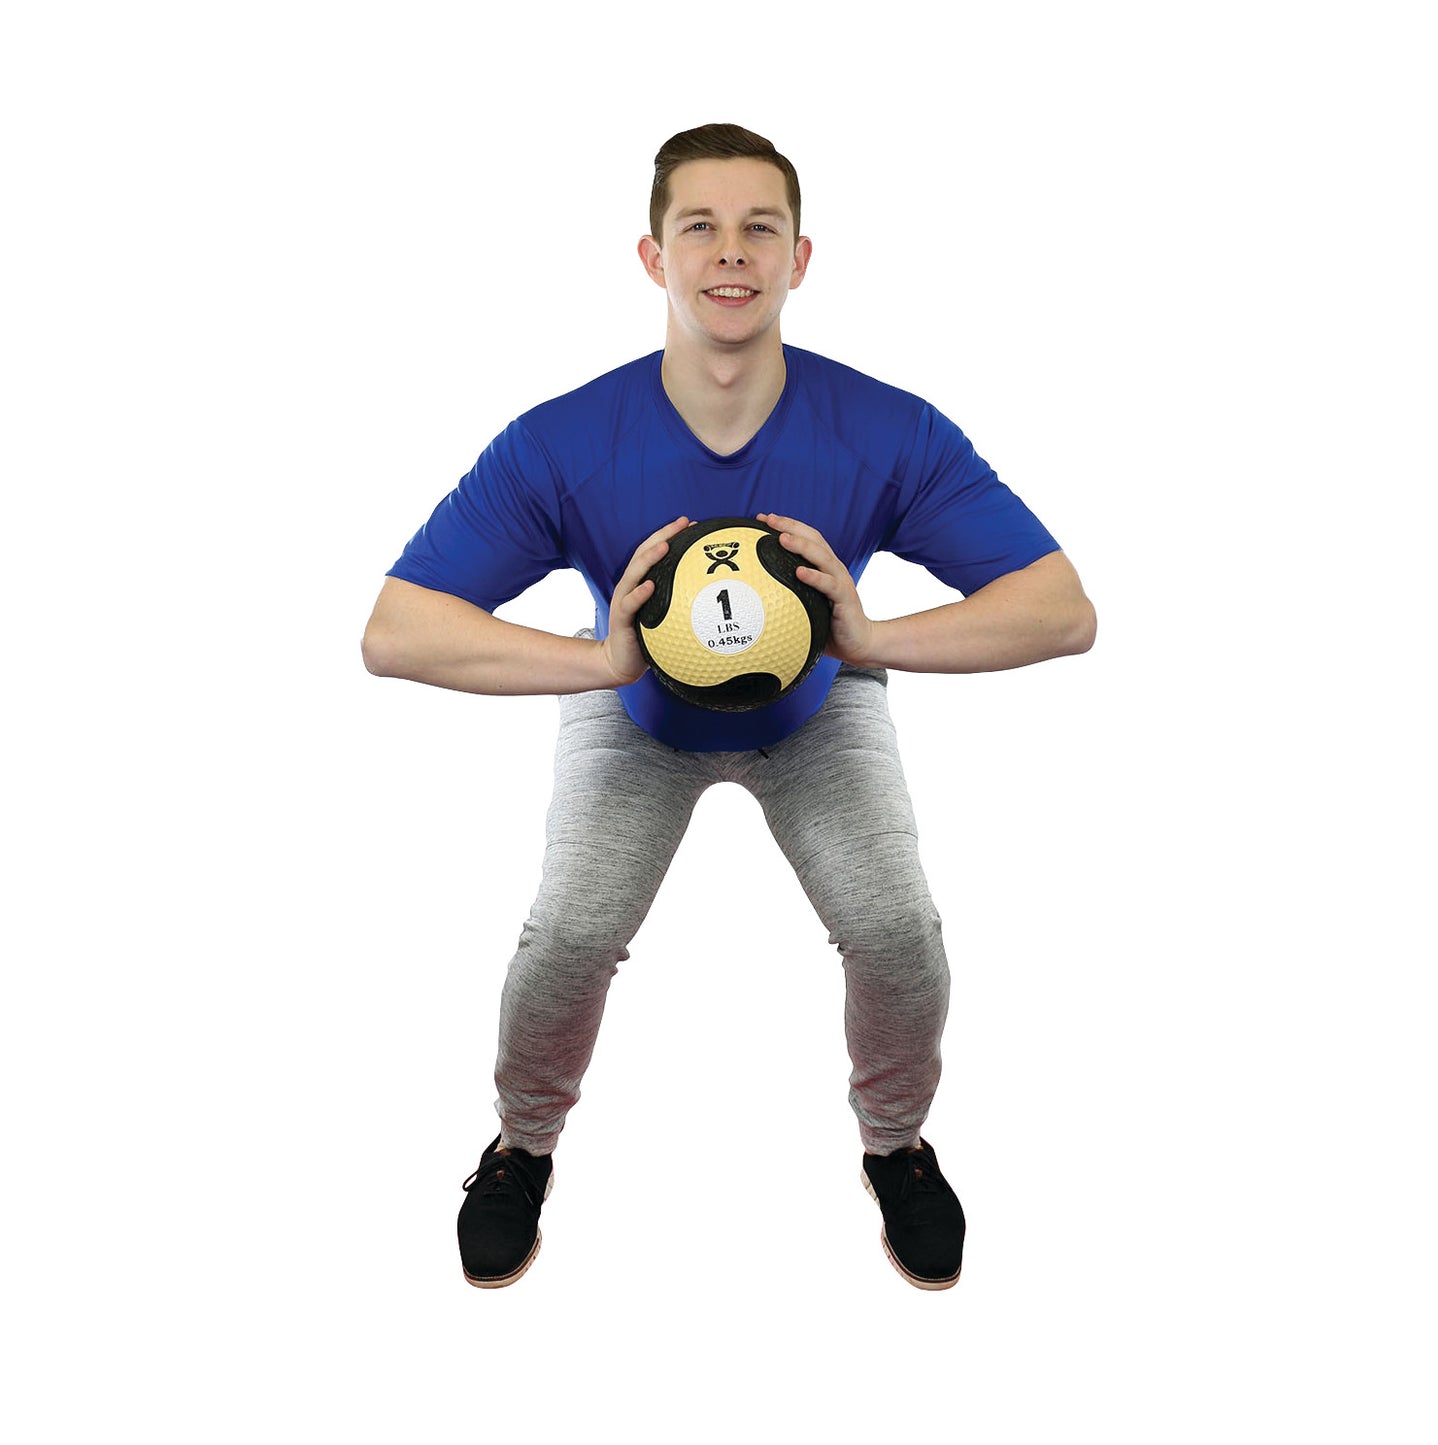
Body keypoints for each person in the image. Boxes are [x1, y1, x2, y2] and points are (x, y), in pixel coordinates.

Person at [362, 123, 1096, 1291]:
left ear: (799, 257)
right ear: (653, 258)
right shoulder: (563, 442)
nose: (730, 252)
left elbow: (1061, 608)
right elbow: (394, 629)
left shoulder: (883, 427)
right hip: (634, 703)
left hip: (818, 705)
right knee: (570, 936)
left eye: (760, 226)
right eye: (697, 225)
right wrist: (600, 664)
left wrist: (869, 638)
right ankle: (520, 1147)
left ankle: (895, 1145)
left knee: (899, 932)